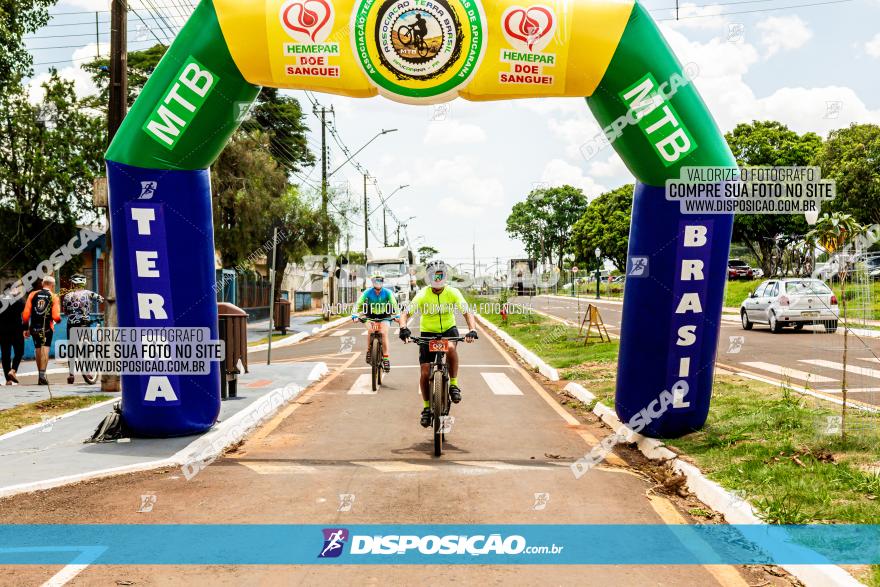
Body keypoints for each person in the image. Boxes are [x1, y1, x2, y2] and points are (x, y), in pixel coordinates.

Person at [398, 260, 478, 428]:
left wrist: (472, 329)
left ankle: (454, 385)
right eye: (434, 275)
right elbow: (405, 313)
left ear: (445, 276)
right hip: (428, 334)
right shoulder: (422, 294)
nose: (437, 278)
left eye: (440, 274)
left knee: (449, 348)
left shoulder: (453, 292)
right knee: (425, 372)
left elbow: (467, 312)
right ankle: (427, 408)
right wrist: (403, 328)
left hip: (449, 330)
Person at [352, 272, 401, 372]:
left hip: (384, 316)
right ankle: (369, 351)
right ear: (372, 281)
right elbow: (358, 303)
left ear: (383, 281)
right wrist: (354, 315)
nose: (378, 282)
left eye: (380, 280)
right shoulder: (367, 292)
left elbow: (394, 304)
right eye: (376, 280)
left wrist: (397, 315)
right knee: (370, 331)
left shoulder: (388, 292)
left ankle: (386, 358)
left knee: (383, 333)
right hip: (371, 315)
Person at [62, 274, 104, 384]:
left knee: (72, 348)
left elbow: (65, 311)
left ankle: (71, 375)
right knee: (87, 348)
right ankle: (88, 371)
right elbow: (101, 299)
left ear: (73, 284)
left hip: (71, 324)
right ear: (83, 283)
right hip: (85, 323)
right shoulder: (89, 293)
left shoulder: (67, 296)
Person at [22, 276, 61, 386]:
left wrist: (25, 328)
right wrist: (58, 320)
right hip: (47, 327)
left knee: (38, 348)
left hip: (34, 327)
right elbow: (56, 316)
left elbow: (25, 314)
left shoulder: (32, 294)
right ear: (52, 286)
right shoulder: (53, 296)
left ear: (42, 284)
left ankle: (40, 375)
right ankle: (42, 375)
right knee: (45, 348)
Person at [0, 283, 26, 385]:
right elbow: (24, 312)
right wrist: (26, 329)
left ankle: (8, 380)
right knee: (19, 352)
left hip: (2, 331)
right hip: (16, 331)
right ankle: (13, 370)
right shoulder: (18, 300)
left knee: (6, 354)